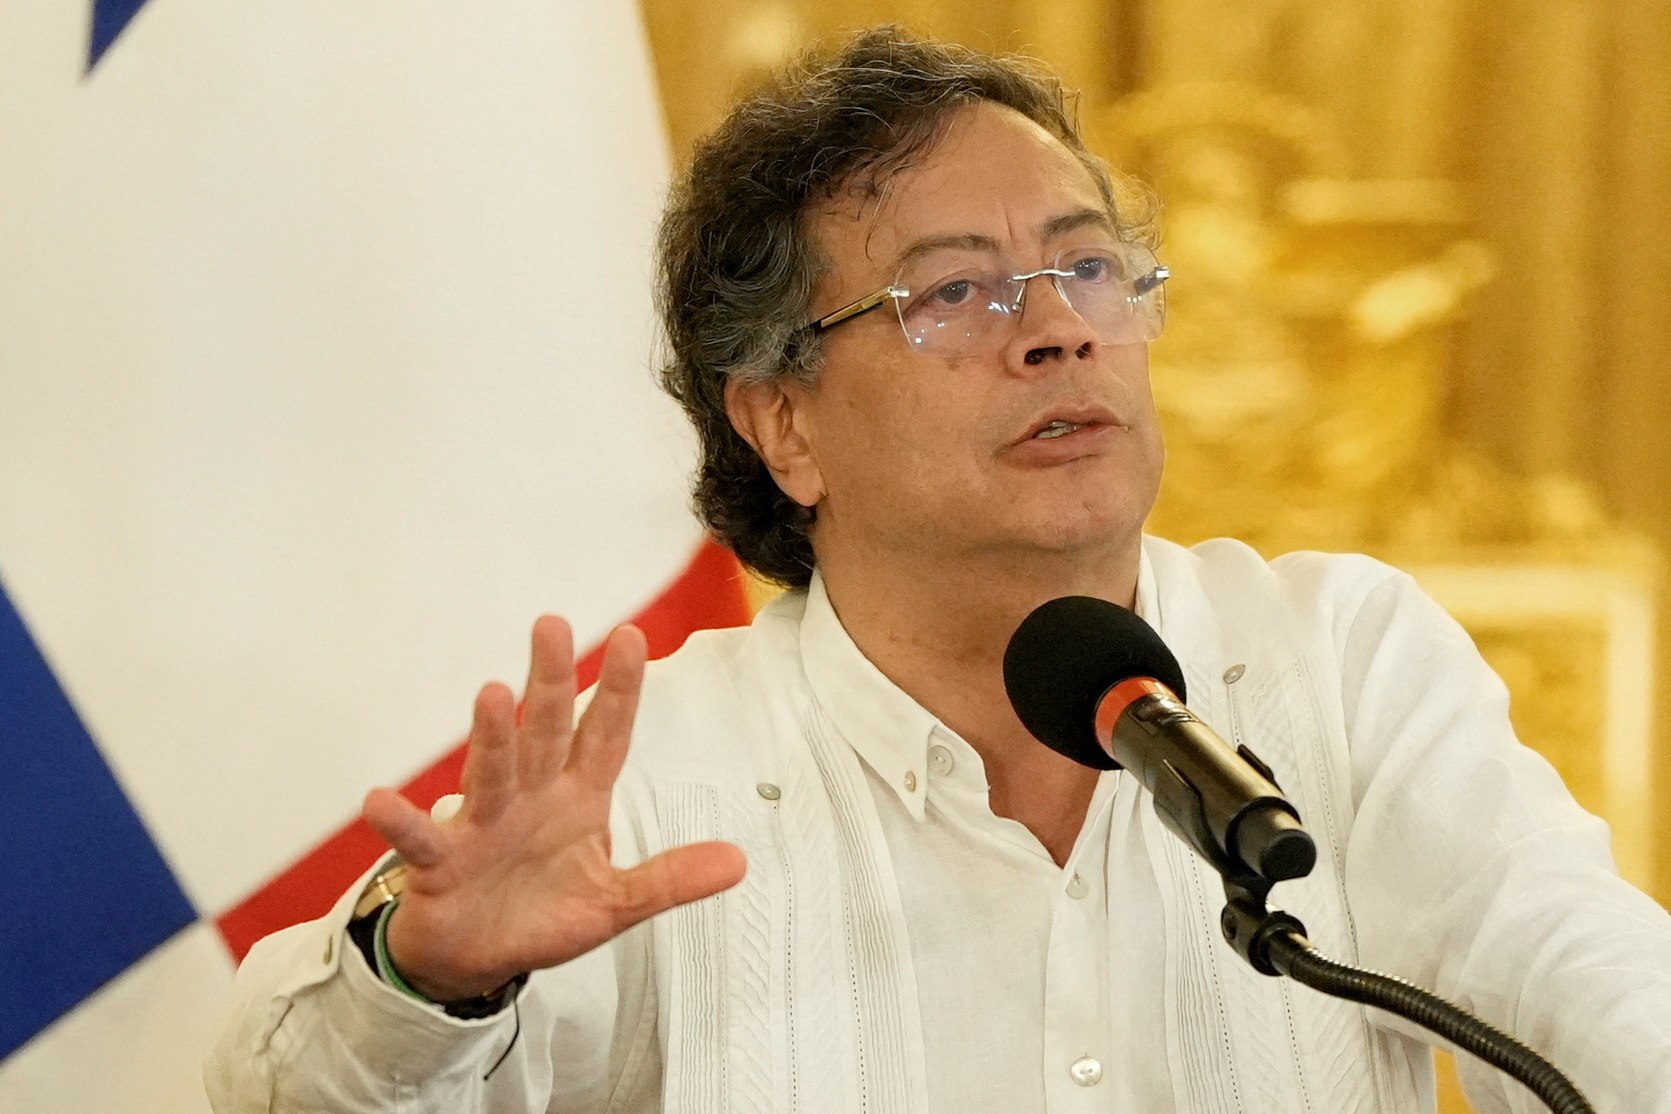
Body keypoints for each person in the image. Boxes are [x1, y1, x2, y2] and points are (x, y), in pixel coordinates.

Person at [205, 28, 1671, 1113]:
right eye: (957, 291)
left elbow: (1598, 998)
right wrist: (430, 979)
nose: (1059, 331)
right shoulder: (643, 778)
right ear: (784, 424)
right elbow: (276, 1093)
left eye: (1088, 268)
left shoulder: (1342, 662)